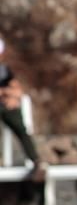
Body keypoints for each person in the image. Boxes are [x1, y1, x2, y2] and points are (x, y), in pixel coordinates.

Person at [0, 37, 47, 182]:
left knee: (21, 129)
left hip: (5, 106)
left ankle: (36, 162)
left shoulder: (4, 70)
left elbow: (16, 90)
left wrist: (11, 96)